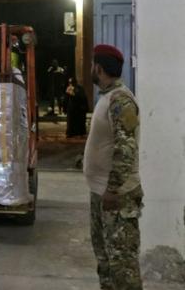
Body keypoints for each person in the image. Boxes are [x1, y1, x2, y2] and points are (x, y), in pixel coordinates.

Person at [84, 44, 143, 290]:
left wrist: (113, 189)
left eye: (91, 65)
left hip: (117, 198)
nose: (90, 69)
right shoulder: (107, 98)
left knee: (123, 266)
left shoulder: (121, 101)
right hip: (101, 193)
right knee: (106, 261)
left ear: (98, 68)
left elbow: (126, 149)